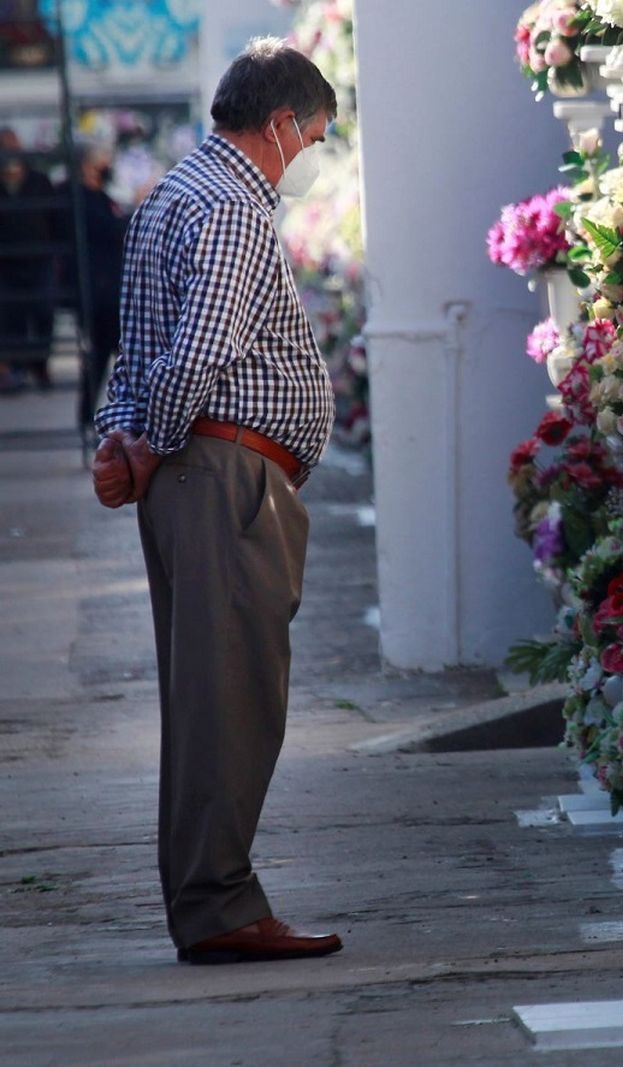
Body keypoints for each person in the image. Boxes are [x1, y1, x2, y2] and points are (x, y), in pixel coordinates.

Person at [90, 38, 342, 965]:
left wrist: (122, 439)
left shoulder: (171, 195)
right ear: (278, 124)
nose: (306, 156)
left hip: (202, 475)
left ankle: (213, 899)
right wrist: (149, 443)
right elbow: (194, 354)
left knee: (210, 698)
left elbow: (134, 350)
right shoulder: (235, 204)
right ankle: (221, 905)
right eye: (310, 138)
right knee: (232, 700)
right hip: (226, 478)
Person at [71, 144, 128, 438]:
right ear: (88, 166)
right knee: (100, 357)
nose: (108, 164)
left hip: (110, 289)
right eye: (103, 159)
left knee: (115, 356)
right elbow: (110, 229)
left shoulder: (100, 197)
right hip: (98, 292)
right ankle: (89, 418)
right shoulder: (81, 199)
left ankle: (105, 418)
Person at [0, 126, 57, 393]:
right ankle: (18, 367)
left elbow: (54, 218)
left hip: (39, 259)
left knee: (44, 312)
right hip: (7, 262)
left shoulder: (39, 181)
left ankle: (40, 363)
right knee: (13, 317)